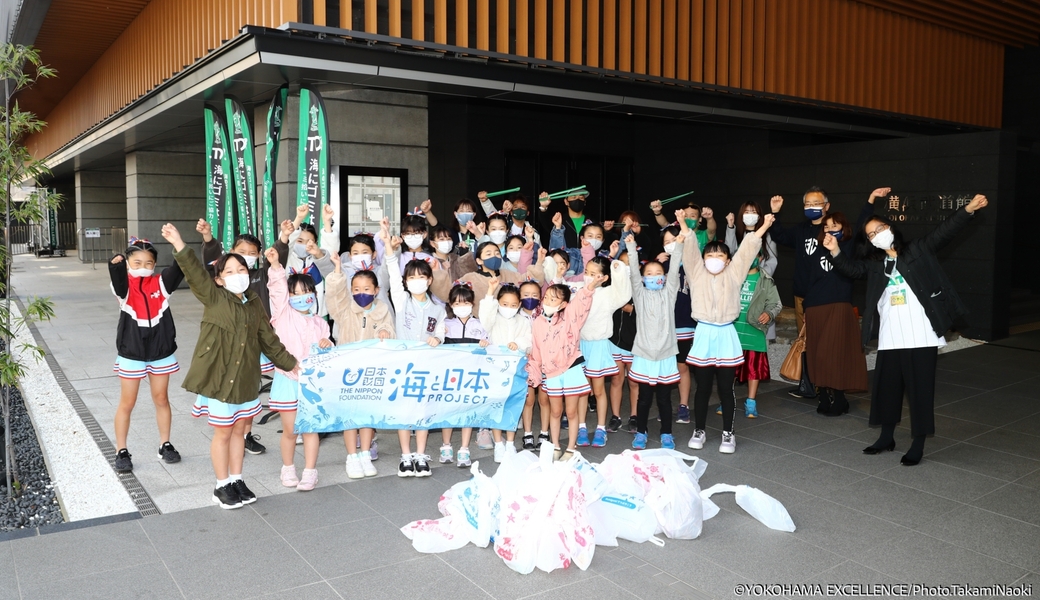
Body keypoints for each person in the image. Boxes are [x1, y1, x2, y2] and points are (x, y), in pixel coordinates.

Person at [825, 194, 988, 466]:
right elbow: (852, 269)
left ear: (891, 228)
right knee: (887, 388)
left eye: (880, 230)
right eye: (871, 234)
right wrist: (834, 250)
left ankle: (918, 442)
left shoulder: (916, 250)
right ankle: (886, 437)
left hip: (920, 334)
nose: (877, 236)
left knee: (920, 390)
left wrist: (968, 209)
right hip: (891, 336)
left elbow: (943, 232)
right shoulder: (876, 264)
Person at [163, 223, 298, 509]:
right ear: (220, 280)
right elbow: (195, 273)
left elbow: (269, 340)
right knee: (224, 432)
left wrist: (291, 364)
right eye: (230, 272)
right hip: (220, 379)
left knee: (239, 431)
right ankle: (221, 484)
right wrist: (178, 242)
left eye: (242, 270)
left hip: (246, 379)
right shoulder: (213, 297)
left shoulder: (254, 304)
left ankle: (236, 478)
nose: (238, 275)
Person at [769, 187, 888, 401]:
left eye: (816, 203)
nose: (812, 207)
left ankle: (826, 386)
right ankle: (808, 384)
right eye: (807, 204)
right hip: (804, 296)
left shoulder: (836, 234)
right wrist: (775, 213)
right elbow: (779, 235)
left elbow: (860, 224)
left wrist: (870, 200)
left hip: (832, 299)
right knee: (807, 342)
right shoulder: (801, 230)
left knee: (828, 345)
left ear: (826, 206)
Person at [681, 210, 774, 454]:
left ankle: (728, 434)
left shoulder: (734, 274)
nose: (714, 258)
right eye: (709, 254)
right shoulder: (696, 273)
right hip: (703, 333)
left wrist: (762, 228)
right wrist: (682, 224)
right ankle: (698, 430)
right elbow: (689, 250)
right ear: (703, 259)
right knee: (702, 388)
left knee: (725, 388)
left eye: (719, 254)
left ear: (727, 259)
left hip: (726, 334)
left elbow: (746, 251)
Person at [108, 238, 184, 473]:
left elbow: (180, 268)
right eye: (137, 261)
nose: (143, 266)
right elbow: (118, 281)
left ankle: (165, 444)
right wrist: (116, 265)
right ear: (129, 262)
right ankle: (122, 450)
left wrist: (178, 243)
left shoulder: (161, 284)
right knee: (127, 403)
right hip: (132, 353)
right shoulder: (124, 287)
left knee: (161, 399)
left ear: (155, 265)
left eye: (149, 262)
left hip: (161, 352)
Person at [264, 250, 332, 490]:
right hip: (287, 379)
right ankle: (288, 468)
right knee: (291, 430)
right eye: (296, 293)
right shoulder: (283, 315)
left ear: (314, 295)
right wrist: (275, 265)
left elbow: (327, 352)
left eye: (308, 292)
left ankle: (310, 471)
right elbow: (277, 290)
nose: (303, 297)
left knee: (311, 429)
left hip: (313, 384)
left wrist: (327, 344)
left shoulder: (321, 323)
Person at [324, 251, 396, 478]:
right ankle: (352, 457)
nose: (361, 293)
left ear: (376, 291)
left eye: (366, 289)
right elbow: (334, 297)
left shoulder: (383, 310)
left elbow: (390, 334)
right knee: (350, 416)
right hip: (348, 371)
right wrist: (337, 271)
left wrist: (386, 332)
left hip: (372, 372)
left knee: (367, 415)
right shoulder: (345, 310)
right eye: (356, 289)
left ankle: (365, 454)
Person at [383, 226, 445, 477]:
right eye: (411, 278)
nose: (415, 281)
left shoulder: (438, 308)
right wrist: (389, 245)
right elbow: (391, 270)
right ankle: (405, 456)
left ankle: (420, 455)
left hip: (426, 366)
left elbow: (441, 332)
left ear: (429, 280)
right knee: (404, 411)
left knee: (423, 411)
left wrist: (437, 339)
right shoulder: (402, 299)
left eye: (421, 277)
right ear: (406, 282)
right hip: (402, 365)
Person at [527, 276, 605, 461]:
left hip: (571, 369)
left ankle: (571, 448)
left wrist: (589, 288)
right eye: (546, 297)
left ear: (563, 304)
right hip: (551, 373)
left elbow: (581, 304)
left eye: (553, 299)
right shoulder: (537, 321)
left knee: (571, 412)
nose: (547, 301)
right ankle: (555, 445)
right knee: (555, 411)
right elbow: (536, 349)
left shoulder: (571, 318)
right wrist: (535, 372)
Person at [625, 231, 685, 450]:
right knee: (643, 399)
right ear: (643, 277)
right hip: (644, 354)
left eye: (658, 272)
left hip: (666, 355)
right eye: (649, 273)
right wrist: (631, 248)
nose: (653, 275)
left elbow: (676, 267)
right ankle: (641, 432)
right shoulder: (639, 295)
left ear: (664, 276)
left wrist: (678, 246)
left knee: (664, 400)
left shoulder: (669, 293)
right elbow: (632, 272)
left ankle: (667, 433)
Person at [723, 201, 781, 417]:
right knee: (730, 363)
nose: (749, 215)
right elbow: (728, 254)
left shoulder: (767, 243)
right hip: (734, 322)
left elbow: (772, 269)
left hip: (755, 322)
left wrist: (759, 273)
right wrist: (729, 228)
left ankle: (751, 402)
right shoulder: (735, 234)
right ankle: (727, 400)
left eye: (753, 212)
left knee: (754, 363)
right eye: (745, 212)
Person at [574, 249, 632, 447]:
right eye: (587, 272)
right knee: (582, 390)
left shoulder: (608, 295)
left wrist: (618, 268)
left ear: (604, 277)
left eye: (594, 273)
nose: (588, 276)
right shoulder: (578, 291)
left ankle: (600, 429)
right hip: (580, 346)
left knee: (598, 390)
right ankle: (581, 427)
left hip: (598, 346)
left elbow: (624, 293)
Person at [479, 276, 533, 461]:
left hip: (516, 370)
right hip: (495, 369)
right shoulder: (493, 318)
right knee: (496, 406)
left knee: (512, 406)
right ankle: (498, 444)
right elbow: (484, 319)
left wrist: (517, 344)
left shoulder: (523, 321)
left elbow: (529, 340)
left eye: (513, 304)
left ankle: (510, 444)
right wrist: (489, 292)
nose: (508, 308)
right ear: (498, 303)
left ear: (519, 305)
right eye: (504, 303)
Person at [440, 282, 491, 467]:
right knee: (448, 410)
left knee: (467, 410)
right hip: (450, 374)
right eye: (458, 303)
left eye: (466, 302)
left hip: (471, 375)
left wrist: (487, 343)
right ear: (451, 304)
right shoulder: (445, 324)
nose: (462, 307)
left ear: (472, 303)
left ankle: (464, 448)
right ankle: (446, 446)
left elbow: (490, 343)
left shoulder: (480, 324)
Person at [658, 225, 695, 425]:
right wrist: (656, 264)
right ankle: (664, 405)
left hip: (685, 325)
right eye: (666, 241)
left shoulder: (691, 264)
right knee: (665, 366)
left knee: (682, 366)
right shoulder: (660, 266)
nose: (670, 244)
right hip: (664, 326)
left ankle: (683, 406)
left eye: (674, 239)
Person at [518, 280, 552, 449]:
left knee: (544, 399)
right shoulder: (516, 317)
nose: (530, 298)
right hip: (526, 363)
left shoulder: (545, 315)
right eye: (525, 295)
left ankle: (545, 433)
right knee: (529, 400)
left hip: (545, 362)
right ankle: (528, 434)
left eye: (534, 295)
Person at [651, 199, 716, 250]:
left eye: (692, 216)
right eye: (685, 215)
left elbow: (712, 230)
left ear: (699, 219)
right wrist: (657, 212)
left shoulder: (703, 235)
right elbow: (664, 224)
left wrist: (709, 218)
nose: (688, 218)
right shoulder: (676, 233)